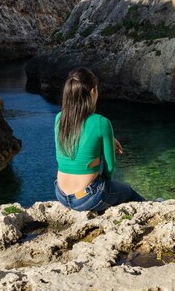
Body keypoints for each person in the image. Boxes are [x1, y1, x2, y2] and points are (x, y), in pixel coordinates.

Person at [54, 67, 145, 212]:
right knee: (128, 191)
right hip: (87, 198)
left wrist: (108, 139)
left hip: (61, 194)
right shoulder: (102, 122)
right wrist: (105, 185)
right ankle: (155, 208)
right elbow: (110, 166)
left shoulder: (60, 118)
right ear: (92, 91)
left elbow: (77, 140)